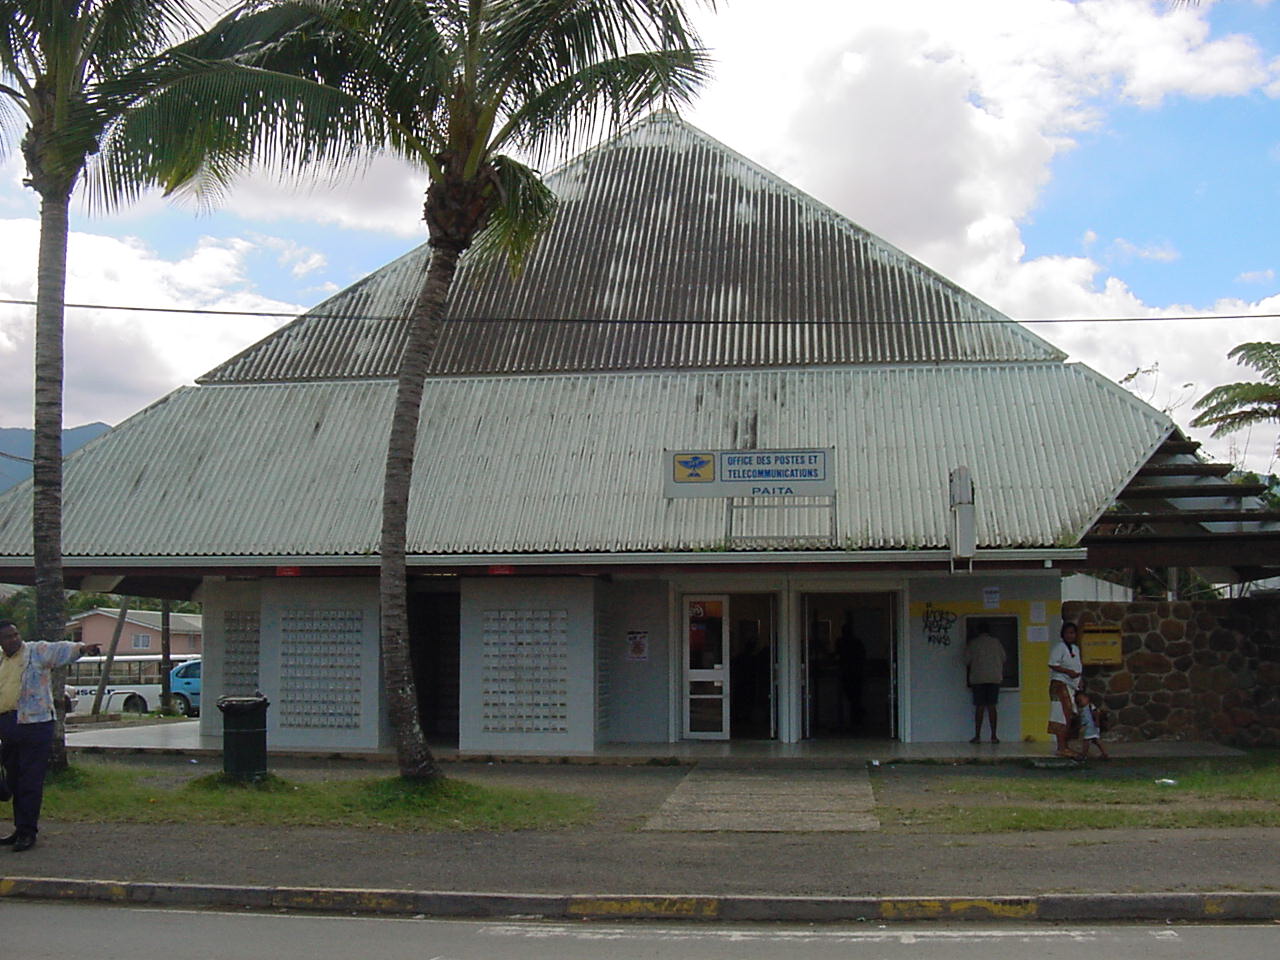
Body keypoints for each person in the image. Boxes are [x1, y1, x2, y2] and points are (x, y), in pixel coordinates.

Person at [0, 619, 96, 851]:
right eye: (7, 637)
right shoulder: (1, 660)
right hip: (8, 724)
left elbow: (60, 650)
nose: (13, 639)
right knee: (13, 779)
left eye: (15, 634)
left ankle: (27, 832)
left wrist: (81, 649)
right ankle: (19, 827)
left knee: (30, 781)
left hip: (35, 724)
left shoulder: (35, 651)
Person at [964, 621, 1006, 743]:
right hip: (994, 678)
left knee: (980, 707)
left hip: (978, 678)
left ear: (978, 631)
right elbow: (1004, 658)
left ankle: (977, 736)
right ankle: (994, 736)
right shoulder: (996, 642)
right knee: (992, 706)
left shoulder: (974, 643)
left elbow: (966, 660)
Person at [1047, 622, 1084, 758]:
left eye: (1073, 633)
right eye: (1068, 632)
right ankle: (1061, 747)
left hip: (1071, 686)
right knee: (1062, 715)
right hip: (1060, 684)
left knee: (1069, 715)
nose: (1071, 635)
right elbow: (1053, 664)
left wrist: (1079, 680)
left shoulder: (1075, 648)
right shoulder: (1059, 647)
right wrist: (1068, 672)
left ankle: (1065, 746)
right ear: (1063, 634)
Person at [1075, 689, 1109, 761]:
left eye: (1081, 700)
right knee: (1095, 740)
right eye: (1078, 701)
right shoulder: (1082, 709)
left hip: (1090, 727)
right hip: (1088, 726)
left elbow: (1096, 714)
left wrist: (1097, 723)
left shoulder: (1090, 706)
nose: (1080, 702)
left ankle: (1084, 754)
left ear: (1087, 698)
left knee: (1086, 741)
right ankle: (1104, 753)